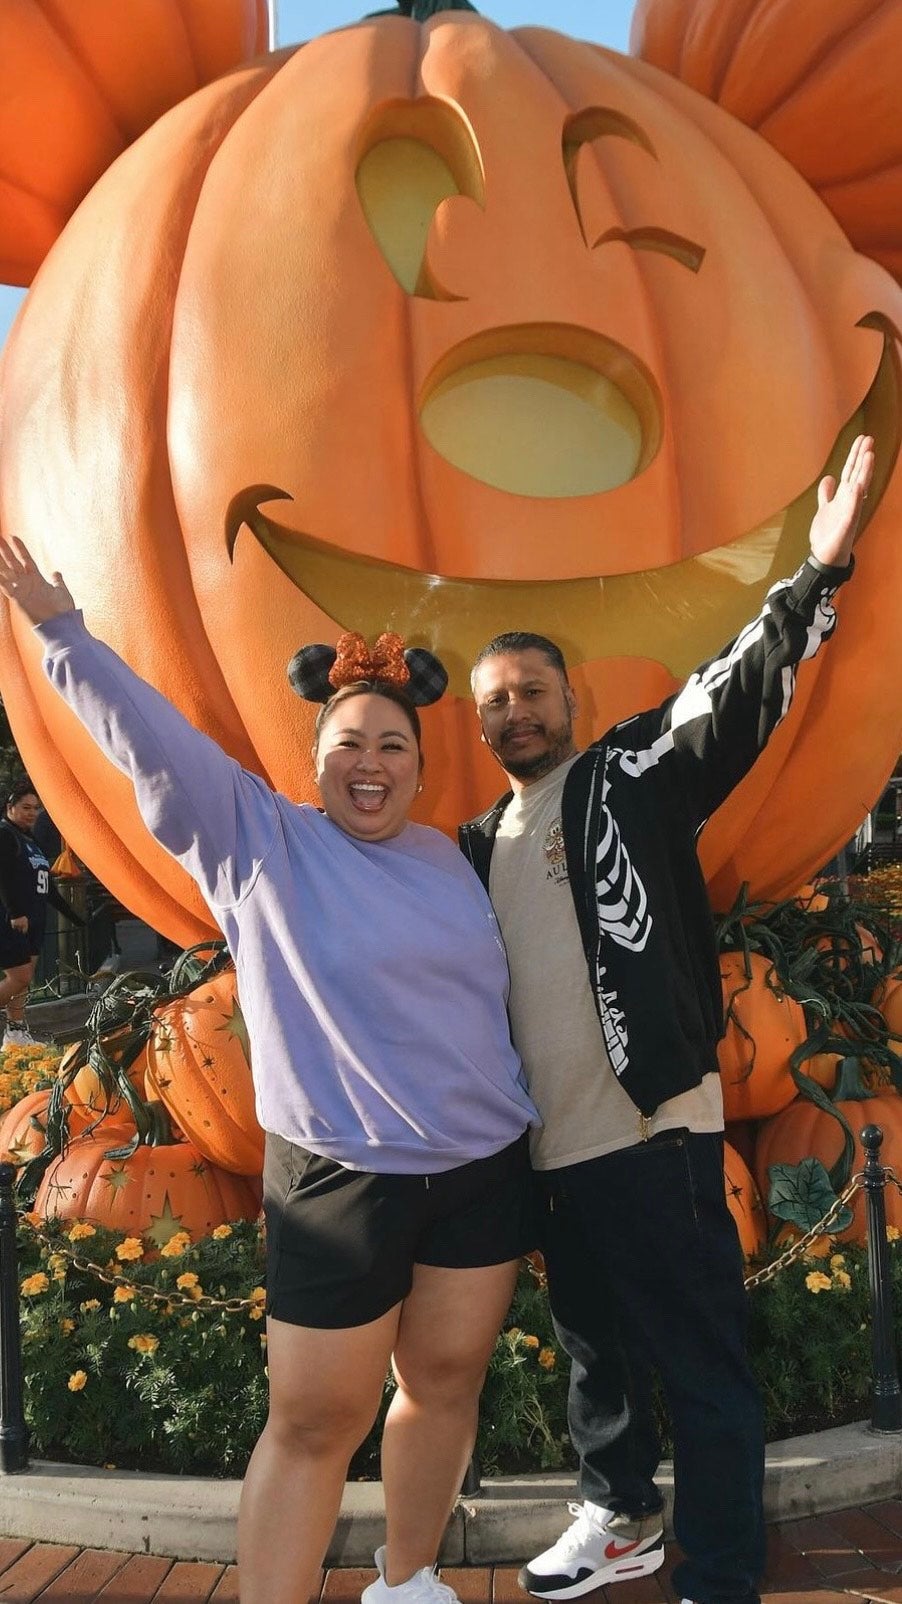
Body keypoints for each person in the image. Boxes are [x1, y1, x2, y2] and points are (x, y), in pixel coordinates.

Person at [0, 545, 538, 1604]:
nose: (371, 762)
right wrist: (63, 637)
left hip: (481, 1167)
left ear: (420, 766)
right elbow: (151, 739)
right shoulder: (259, 841)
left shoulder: (448, 857)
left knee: (443, 1382)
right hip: (343, 1177)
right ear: (317, 759)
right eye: (349, 744)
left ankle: (409, 1581)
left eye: (392, 744)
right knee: (313, 1422)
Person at [459, 434, 875, 1604]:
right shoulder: (473, 845)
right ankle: (620, 1516)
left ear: (570, 701)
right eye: (494, 701)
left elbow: (725, 692)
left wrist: (814, 573)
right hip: (549, 1148)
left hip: (650, 1131)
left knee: (697, 1363)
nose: (513, 711)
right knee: (594, 1356)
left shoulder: (626, 777)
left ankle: (722, 1573)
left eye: (530, 691)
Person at [0, 778, 85, 1046]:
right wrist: (15, 912)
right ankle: (14, 1031)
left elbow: (47, 886)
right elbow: (3, 875)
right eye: (25, 807)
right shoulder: (5, 834)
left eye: (35, 808)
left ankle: (15, 1034)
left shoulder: (31, 840)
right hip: (13, 920)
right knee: (20, 977)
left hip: (35, 920)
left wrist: (74, 917)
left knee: (24, 982)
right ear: (10, 807)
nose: (32, 813)